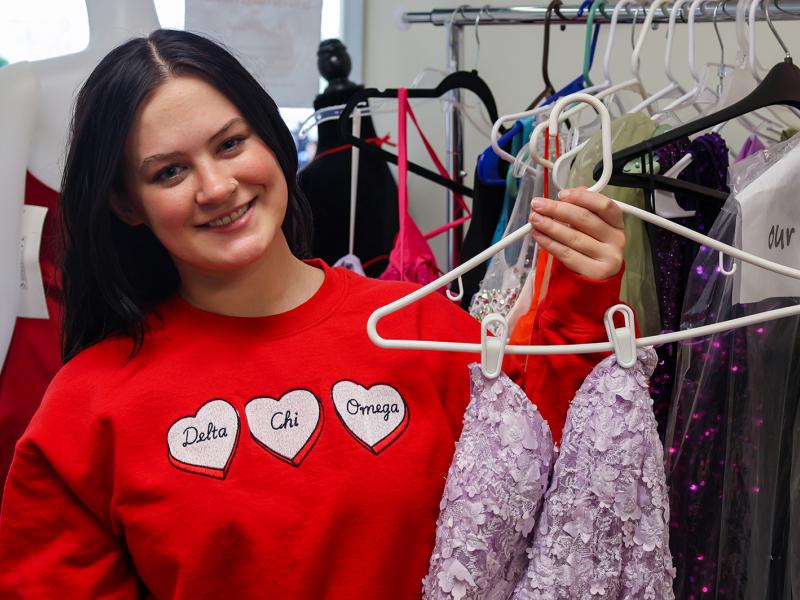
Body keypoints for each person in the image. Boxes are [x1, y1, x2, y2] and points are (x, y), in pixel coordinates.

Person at [0, 30, 626, 599]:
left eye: (230, 144)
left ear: (273, 140)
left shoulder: (420, 328)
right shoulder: (88, 408)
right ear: (127, 205)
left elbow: (558, 485)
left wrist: (583, 298)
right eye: (169, 171)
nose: (216, 187)